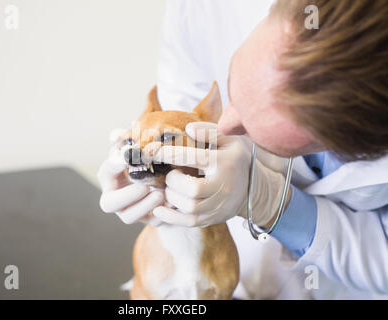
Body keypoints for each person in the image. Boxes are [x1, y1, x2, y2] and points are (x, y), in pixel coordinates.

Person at [98, 0, 388, 299]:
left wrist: (269, 202)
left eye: (253, 127)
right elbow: (177, 111)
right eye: (234, 91)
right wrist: (150, 174)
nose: (223, 125)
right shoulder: (205, 10)